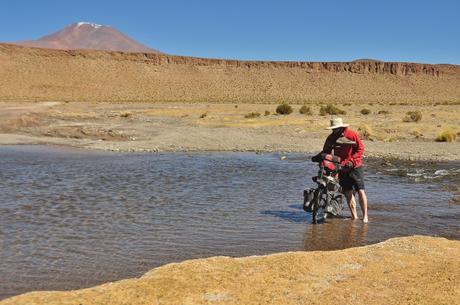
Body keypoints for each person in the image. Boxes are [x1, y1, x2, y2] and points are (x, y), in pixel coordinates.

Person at [316, 117, 369, 223]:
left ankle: (365, 217)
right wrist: (319, 157)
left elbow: (360, 149)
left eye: (336, 128)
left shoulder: (352, 135)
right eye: (333, 129)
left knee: (360, 190)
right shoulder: (331, 137)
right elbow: (326, 151)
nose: (334, 131)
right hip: (341, 167)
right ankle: (354, 217)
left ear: (341, 127)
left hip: (355, 166)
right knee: (348, 192)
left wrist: (352, 161)